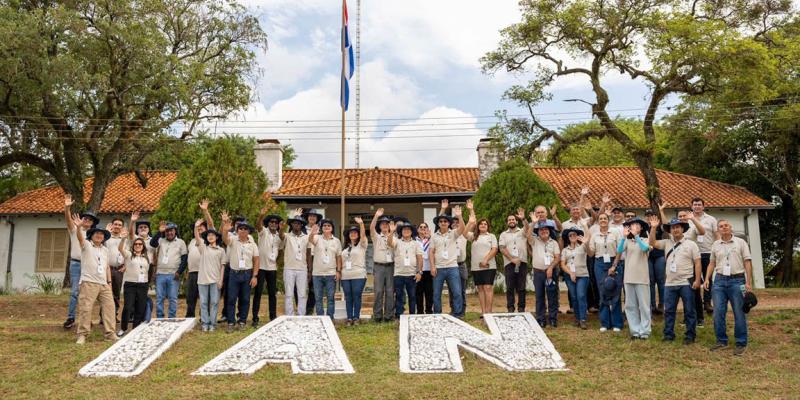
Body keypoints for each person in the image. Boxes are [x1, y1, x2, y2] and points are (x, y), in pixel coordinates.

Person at [648, 216, 702, 345]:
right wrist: (654, 228)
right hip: (670, 283)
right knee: (669, 311)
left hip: (686, 282)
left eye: (677, 227)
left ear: (682, 229)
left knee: (689, 310)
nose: (675, 230)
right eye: (673, 228)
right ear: (670, 230)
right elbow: (652, 243)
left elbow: (698, 263)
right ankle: (668, 334)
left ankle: (690, 335)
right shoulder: (666, 243)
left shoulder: (691, 244)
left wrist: (698, 280)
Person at [706, 219, 753, 356]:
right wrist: (708, 279)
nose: (724, 228)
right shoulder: (715, 244)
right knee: (718, 312)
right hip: (719, 281)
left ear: (730, 227)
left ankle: (741, 342)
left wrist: (748, 282)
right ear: (718, 230)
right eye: (721, 226)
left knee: (739, 313)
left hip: (737, 281)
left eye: (726, 225)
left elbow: (747, 262)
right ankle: (721, 341)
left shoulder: (741, 242)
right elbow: (711, 263)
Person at [71, 215, 117, 344]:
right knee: (86, 308)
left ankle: (110, 333)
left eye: (101, 234)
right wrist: (79, 227)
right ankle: (82, 335)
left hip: (103, 283)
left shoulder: (105, 250)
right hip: (88, 282)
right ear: (91, 235)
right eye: (96, 233)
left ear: (104, 238)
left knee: (109, 307)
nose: (99, 236)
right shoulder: (86, 245)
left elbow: (107, 267)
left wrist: (109, 283)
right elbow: (79, 237)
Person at [62, 194, 98, 330]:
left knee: (88, 293)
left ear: (93, 223)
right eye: (85, 218)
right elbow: (68, 221)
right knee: (75, 292)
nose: (87, 220)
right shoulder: (75, 230)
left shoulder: (95, 235)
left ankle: (86, 318)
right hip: (76, 264)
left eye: (90, 219)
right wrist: (67, 208)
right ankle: (71, 317)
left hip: (90, 266)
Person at [615, 217, 652, 340]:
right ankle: (635, 331)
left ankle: (645, 331)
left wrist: (636, 236)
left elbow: (645, 249)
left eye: (636, 225)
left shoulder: (645, 239)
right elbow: (619, 251)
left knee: (644, 305)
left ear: (641, 228)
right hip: (629, 277)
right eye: (631, 225)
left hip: (642, 278)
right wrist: (623, 237)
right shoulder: (627, 241)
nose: (633, 227)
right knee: (630, 306)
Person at [221, 216, 259, 332]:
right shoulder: (233, 240)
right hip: (234, 274)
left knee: (245, 299)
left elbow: (256, 260)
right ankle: (231, 323)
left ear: (248, 231)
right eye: (240, 228)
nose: (242, 230)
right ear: (237, 231)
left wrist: (254, 276)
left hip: (247, 274)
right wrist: (225, 229)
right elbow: (224, 239)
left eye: (245, 228)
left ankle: (242, 321)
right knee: (231, 299)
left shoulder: (252, 244)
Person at [588, 212, 623, 332]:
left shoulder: (615, 232)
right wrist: (585, 244)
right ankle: (605, 323)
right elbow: (591, 253)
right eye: (600, 218)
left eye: (605, 218)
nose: (603, 220)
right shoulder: (594, 235)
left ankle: (617, 323)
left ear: (608, 220)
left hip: (614, 262)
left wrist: (614, 265)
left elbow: (620, 249)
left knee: (615, 291)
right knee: (602, 292)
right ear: (598, 221)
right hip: (599, 264)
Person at [429, 205, 467, 318]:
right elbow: (431, 252)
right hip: (438, 268)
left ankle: (457, 313)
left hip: (452, 267)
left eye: (445, 221)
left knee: (456, 292)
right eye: (441, 221)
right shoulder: (434, 236)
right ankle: (437, 314)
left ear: (448, 223)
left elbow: (462, 229)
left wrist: (459, 216)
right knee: (436, 293)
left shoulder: (453, 233)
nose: (443, 223)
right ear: (438, 223)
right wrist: (432, 266)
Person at [463, 200, 498, 317]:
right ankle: (483, 312)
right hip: (476, 267)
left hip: (489, 266)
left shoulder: (491, 236)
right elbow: (464, 233)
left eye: (485, 224)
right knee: (481, 289)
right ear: (478, 226)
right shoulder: (474, 236)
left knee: (488, 287)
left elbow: (494, 250)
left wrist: (486, 260)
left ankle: (489, 312)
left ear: (488, 226)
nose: (483, 225)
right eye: (481, 223)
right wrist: (471, 212)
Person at [182, 199, 215, 319]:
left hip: (204, 273)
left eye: (202, 227)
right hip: (192, 273)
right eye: (198, 227)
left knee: (204, 297)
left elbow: (211, 224)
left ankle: (204, 318)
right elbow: (189, 257)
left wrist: (205, 211)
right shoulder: (192, 241)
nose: (200, 228)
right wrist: (187, 272)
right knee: (190, 298)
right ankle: (189, 318)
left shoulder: (209, 240)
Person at [150, 221, 188, 318]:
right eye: (167, 231)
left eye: (171, 230)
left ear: (175, 231)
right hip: (160, 274)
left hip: (173, 274)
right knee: (159, 298)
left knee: (172, 298)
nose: (169, 233)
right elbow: (152, 243)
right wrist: (159, 232)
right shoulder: (161, 240)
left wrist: (179, 272)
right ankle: (160, 317)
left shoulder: (181, 242)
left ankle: (171, 317)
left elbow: (184, 259)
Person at [254, 208, 285, 326]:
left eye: (275, 223)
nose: (273, 224)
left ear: (278, 225)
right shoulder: (263, 232)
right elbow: (258, 225)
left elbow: (281, 250)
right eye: (271, 222)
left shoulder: (279, 236)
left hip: (272, 269)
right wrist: (261, 215)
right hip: (261, 267)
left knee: (272, 294)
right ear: (268, 223)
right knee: (258, 293)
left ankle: (273, 317)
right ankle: (255, 318)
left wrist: (277, 262)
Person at [193, 220, 226, 332]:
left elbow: (222, 267)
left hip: (215, 280)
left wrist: (221, 280)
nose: (210, 237)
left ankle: (213, 324)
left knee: (214, 302)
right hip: (202, 280)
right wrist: (196, 226)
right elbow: (197, 237)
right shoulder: (203, 247)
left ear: (216, 237)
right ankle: (205, 323)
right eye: (208, 235)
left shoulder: (221, 250)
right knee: (203, 302)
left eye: (213, 235)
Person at [116, 228, 149, 336]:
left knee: (140, 307)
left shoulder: (146, 257)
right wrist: (123, 239)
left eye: (140, 244)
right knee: (128, 307)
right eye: (136, 244)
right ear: (133, 246)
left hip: (143, 285)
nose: (138, 245)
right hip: (130, 284)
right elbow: (120, 248)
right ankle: (123, 328)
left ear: (143, 246)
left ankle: (135, 328)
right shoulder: (129, 255)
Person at [690, 197, 720, 318]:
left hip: (708, 251)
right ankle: (696, 302)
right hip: (693, 253)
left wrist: (718, 248)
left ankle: (707, 302)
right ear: (691, 206)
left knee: (708, 277)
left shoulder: (711, 219)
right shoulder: (688, 219)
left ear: (703, 206)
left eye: (699, 204)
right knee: (695, 279)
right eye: (695, 204)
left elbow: (716, 234)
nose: (697, 206)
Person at [528, 218, 560, 328]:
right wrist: (533, 223)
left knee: (552, 296)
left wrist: (551, 268)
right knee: (539, 296)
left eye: (546, 229)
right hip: (538, 273)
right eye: (541, 229)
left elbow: (557, 257)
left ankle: (553, 319)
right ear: (538, 231)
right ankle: (541, 319)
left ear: (549, 231)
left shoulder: (554, 242)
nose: (544, 231)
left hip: (551, 272)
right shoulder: (534, 241)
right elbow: (528, 235)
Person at [388, 220, 424, 319]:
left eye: (408, 229)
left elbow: (420, 258)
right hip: (399, 274)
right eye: (404, 229)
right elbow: (389, 242)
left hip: (412, 274)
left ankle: (412, 315)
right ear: (401, 232)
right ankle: (399, 316)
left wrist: (419, 272)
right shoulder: (397, 241)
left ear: (412, 231)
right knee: (399, 296)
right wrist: (391, 232)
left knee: (412, 296)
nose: (406, 231)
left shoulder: (416, 244)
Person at [440, 200, 469, 315]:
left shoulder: (464, 234)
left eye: (458, 223)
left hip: (461, 265)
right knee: (452, 290)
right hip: (451, 265)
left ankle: (462, 311)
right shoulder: (449, 235)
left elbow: (471, 223)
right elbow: (440, 222)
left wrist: (460, 216)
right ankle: (454, 309)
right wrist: (443, 209)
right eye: (454, 223)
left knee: (461, 290)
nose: (456, 224)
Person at [309, 219, 341, 319]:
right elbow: (310, 240)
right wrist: (312, 233)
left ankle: (330, 318)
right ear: (322, 228)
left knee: (330, 298)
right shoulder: (317, 238)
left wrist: (338, 271)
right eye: (324, 226)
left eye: (328, 225)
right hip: (317, 274)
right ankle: (320, 318)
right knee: (318, 298)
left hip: (331, 274)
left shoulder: (336, 241)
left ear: (332, 228)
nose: (326, 227)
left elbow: (338, 257)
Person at [498, 209, 529, 312]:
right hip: (509, 263)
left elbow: (528, 227)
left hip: (522, 262)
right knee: (510, 287)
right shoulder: (503, 234)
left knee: (521, 287)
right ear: (507, 222)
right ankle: (510, 308)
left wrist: (523, 218)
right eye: (509, 220)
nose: (511, 221)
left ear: (516, 221)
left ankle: (521, 308)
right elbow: (502, 248)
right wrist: (512, 259)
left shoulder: (522, 231)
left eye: (513, 219)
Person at [561, 227, 590, 329]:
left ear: (577, 236)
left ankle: (583, 319)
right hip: (570, 276)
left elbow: (590, 253)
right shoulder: (565, 250)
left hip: (582, 275)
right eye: (570, 235)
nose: (572, 236)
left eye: (574, 235)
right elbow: (563, 264)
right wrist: (571, 273)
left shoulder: (583, 246)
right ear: (568, 237)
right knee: (573, 297)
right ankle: (577, 318)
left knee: (581, 296)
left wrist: (586, 243)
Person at [341, 218, 368, 325]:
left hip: (359, 275)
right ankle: (349, 318)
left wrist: (361, 223)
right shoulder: (345, 248)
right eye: (351, 233)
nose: (353, 234)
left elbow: (363, 236)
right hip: (345, 276)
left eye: (355, 232)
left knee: (356, 295)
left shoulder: (362, 245)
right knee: (348, 297)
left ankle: (356, 317)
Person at [283, 212, 310, 316]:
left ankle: (301, 315)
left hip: (302, 269)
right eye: (294, 223)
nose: (296, 225)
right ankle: (289, 315)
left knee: (302, 294)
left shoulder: (306, 237)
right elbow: (281, 233)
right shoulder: (287, 236)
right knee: (289, 294)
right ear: (291, 225)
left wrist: (309, 270)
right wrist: (288, 218)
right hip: (289, 268)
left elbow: (308, 254)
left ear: (301, 225)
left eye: (298, 223)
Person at [370, 208, 395, 322]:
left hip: (390, 266)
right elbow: (371, 228)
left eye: (386, 224)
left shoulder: (394, 237)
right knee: (378, 291)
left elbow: (393, 244)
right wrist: (376, 216)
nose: (384, 226)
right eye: (382, 224)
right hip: (379, 267)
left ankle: (389, 315)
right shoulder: (376, 237)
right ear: (379, 226)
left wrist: (392, 232)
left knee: (390, 292)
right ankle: (377, 316)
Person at [300, 209, 322, 315]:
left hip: (316, 258)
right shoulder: (302, 229)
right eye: (310, 216)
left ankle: (309, 309)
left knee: (313, 286)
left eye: (314, 216)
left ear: (317, 218)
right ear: (307, 217)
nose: (312, 218)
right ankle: (301, 308)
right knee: (302, 284)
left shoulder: (321, 230)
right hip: (304, 257)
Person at [646, 208, 667, 315]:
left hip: (659, 256)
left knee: (661, 281)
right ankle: (652, 305)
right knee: (650, 281)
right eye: (647, 215)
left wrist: (661, 211)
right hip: (648, 257)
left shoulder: (659, 226)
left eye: (652, 215)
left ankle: (662, 304)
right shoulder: (643, 227)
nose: (649, 217)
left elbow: (667, 227)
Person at [105, 218, 126, 321]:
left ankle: (114, 315)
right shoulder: (106, 238)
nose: (117, 226)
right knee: (105, 293)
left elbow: (128, 254)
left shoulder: (124, 239)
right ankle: (104, 316)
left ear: (122, 227)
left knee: (116, 294)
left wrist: (125, 266)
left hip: (119, 270)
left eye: (119, 225)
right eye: (115, 224)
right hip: (107, 269)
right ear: (112, 225)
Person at [415, 222, 434, 314]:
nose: (423, 228)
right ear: (417, 229)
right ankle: (419, 312)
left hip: (429, 270)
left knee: (429, 292)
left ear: (427, 229)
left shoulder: (431, 240)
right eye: (421, 227)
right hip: (419, 270)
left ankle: (429, 311)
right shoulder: (414, 240)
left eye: (425, 227)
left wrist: (430, 238)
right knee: (418, 293)